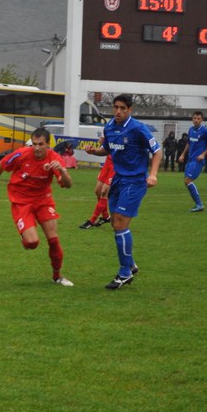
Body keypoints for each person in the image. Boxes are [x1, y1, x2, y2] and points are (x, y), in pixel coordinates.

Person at [83, 94, 161, 290]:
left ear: (129, 110)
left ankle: (124, 273)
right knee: (115, 225)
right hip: (118, 179)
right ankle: (131, 264)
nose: (118, 111)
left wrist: (153, 174)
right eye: (115, 107)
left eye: (122, 108)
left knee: (119, 223)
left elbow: (157, 151)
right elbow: (107, 150)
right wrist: (95, 152)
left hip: (135, 181)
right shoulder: (109, 127)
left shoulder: (137, 129)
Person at [0, 127, 74, 286]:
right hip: (21, 201)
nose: (37, 148)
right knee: (32, 243)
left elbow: (68, 185)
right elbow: (2, 165)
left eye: (41, 144)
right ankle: (25, 237)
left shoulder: (54, 159)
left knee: (53, 239)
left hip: (43, 201)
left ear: (48, 145)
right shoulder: (22, 154)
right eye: (34, 144)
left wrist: (63, 170)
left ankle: (57, 276)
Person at [177, 111, 207, 212]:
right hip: (190, 159)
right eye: (195, 118)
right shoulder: (191, 130)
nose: (196, 120)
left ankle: (199, 204)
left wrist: (203, 154)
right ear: (192, 119)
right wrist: (183, 154)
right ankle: (198, 204)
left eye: (198, 118)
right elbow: (189, 143)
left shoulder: (205, 131)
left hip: (197, 160)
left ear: (202, 120)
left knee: (188, 180)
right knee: (186, 181)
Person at [79, 152, 114, 229]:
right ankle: (106, 217)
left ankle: (91, 221)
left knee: (104, 191)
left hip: (116, 165)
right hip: (108, 162)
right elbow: (103, 146)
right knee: (97, 191)